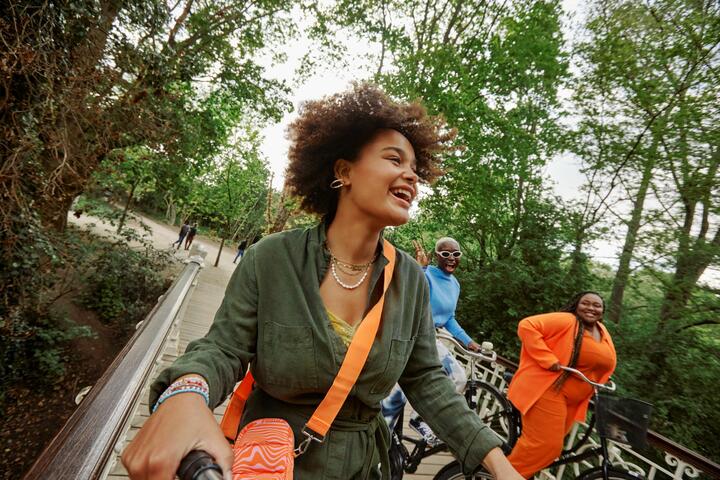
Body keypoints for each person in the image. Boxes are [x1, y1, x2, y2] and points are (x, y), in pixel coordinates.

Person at [121, 84, 523, 480]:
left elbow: (426, 380)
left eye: (415, 169)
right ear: (343, 171)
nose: (410, 176)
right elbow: (223, 348)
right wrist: (186, 393)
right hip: (272, 462)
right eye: (394, 160)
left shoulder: (410, 281)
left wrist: (500, 466)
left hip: (366, 467)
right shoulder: (272, 258)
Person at [381, 237, 482, 445]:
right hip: (415, 333)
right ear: (437, 256)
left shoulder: (455, 284)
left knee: (400, 395)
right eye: (445, 254)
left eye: (456, 254)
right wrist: (421, 269)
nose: (451, 258)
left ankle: (395, 433)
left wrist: (469, 342)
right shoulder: (426, 275)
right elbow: (409, 294)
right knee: (456, 377)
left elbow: (449, 318)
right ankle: (403, 429)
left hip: (431, 339)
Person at [506, 291, 617, 478]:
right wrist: (547, 358)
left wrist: (602, 379)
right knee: (547, 446)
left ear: (603, 311)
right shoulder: (567, 320)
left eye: (597, 305)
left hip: (573, 401)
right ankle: (503, 474)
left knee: (547, 449)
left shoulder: (602, 331)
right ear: (576, 305)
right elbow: (527, 326)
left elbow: (600, 361)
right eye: (586, 303)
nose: (591, 308)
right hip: (548, 389)